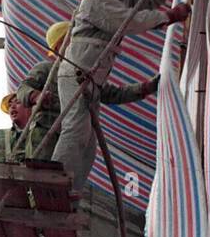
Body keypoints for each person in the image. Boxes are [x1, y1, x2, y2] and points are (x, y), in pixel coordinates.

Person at [53, 0, 194, 189]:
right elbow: (127, 21)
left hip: (89, 80)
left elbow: (146, 0)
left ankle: (69, 192)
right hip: (77, 75)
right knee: (76, 131)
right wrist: (168, 17)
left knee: (87, 145)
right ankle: (53, 185)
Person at [14, 19, 160, 162]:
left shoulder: (85, 73)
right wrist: (35, 96)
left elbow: (111, 94)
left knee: (71, 177)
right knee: (46, 173)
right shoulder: (47, 69)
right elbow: (23, 89)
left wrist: (144, 88)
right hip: (48, 132)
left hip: (79, 134)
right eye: (74, 40)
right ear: (60, 47)